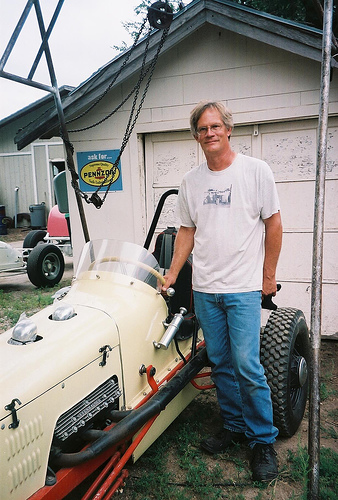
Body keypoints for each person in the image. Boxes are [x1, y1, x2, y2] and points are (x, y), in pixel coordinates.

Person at [162, 101, 283, 482]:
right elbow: (186, 231)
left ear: (228, 130)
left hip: (244, 288)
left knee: (248, 365)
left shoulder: (255, 171)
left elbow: (274, 224)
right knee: (221, 363)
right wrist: (171, 275)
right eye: (202, 128)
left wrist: (268, 276)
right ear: (196, 135)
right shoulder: (190, 182)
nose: (210, 133)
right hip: (206, 289)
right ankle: (233, 426)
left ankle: (262, 440)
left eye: (216, 126)